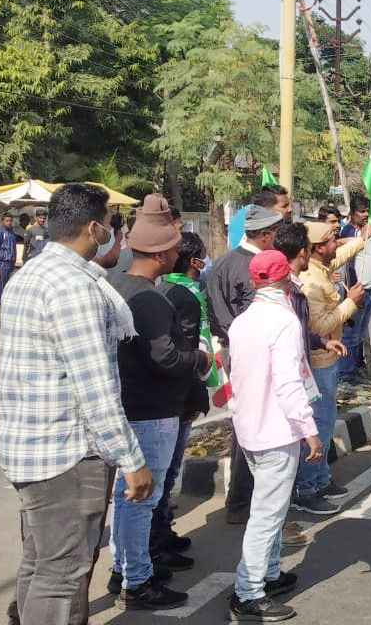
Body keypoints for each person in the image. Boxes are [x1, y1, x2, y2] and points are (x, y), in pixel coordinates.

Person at [0, 183, 153, 625]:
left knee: (40, 564)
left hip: (31, 450)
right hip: (65, 456)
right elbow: (96, 387)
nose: (110, 234)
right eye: (108, 225)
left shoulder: (31, 273)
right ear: (92, 227)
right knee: (63, 576)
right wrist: (131, 459)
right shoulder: (74, 288)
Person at [108, 194, 210, 610]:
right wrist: (199, 359)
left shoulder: (121, 286)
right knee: (140, 499)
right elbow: (166, 357)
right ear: (165, 252)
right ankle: (136, 580)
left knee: (128, 498)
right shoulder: (149, 298)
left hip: (135, 407)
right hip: (151, 413)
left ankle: (126, 569)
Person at [227, 250, 321, 622]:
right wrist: (309, 429)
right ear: (286, 280)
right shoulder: (284, 321)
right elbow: (288, 381)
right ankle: (247, 592)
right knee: (266, 515)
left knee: (269, 510)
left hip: (250, 427)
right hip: (276, 430)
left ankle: (267, 574)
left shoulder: (242, 321)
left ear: (254, 282)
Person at [206, 205, 284, 524]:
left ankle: (246, 497)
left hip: (233, 349)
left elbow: (215, 315)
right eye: (274, 235)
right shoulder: (254, 267)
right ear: (264, 236)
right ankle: (242, 499)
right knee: (251, 425)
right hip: (249, 354)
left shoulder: (222, 264)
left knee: (246, 421)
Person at [296, 221, 368, 514]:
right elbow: (320, 328)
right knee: (320, 426)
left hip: (329, 361)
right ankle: (306, 488)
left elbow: (342, 254)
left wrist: (362, 237)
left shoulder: (322, 265)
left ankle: (322, 479)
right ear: (315, 249)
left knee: (325, 422)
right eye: (332, 240)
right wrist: (350, 302)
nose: (337, 244)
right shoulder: (312, 280)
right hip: (319, 362)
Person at [153, 232, 213, 562]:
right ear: (194, 261)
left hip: (167, 396)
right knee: (168, 472)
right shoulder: (186, 296)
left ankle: (163, 531)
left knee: (164, 474)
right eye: (203, 255)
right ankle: (159, 539)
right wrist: (193, 399)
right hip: (178, 398)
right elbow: (188, 352)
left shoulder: (165, 289)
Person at [337, 193, 371, 382]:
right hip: (354, 292)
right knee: (350, 337)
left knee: (359, 335)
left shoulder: (365, 231)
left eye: (368, 211)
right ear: (353, 212)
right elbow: (347, 266)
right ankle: (346, 376)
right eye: (362, 211)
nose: (366, 215)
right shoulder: (349, 234)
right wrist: (350, 294)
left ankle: (356, 368)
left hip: (367, 292)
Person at [0, 211, 17, 305]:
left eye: (10, 221)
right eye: (7, 221)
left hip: (11, 264)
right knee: (1, 287)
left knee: (11, 287)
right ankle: (1, 308)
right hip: (2, 264)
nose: (9, 222)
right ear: (2, 221)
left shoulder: (12, 233)